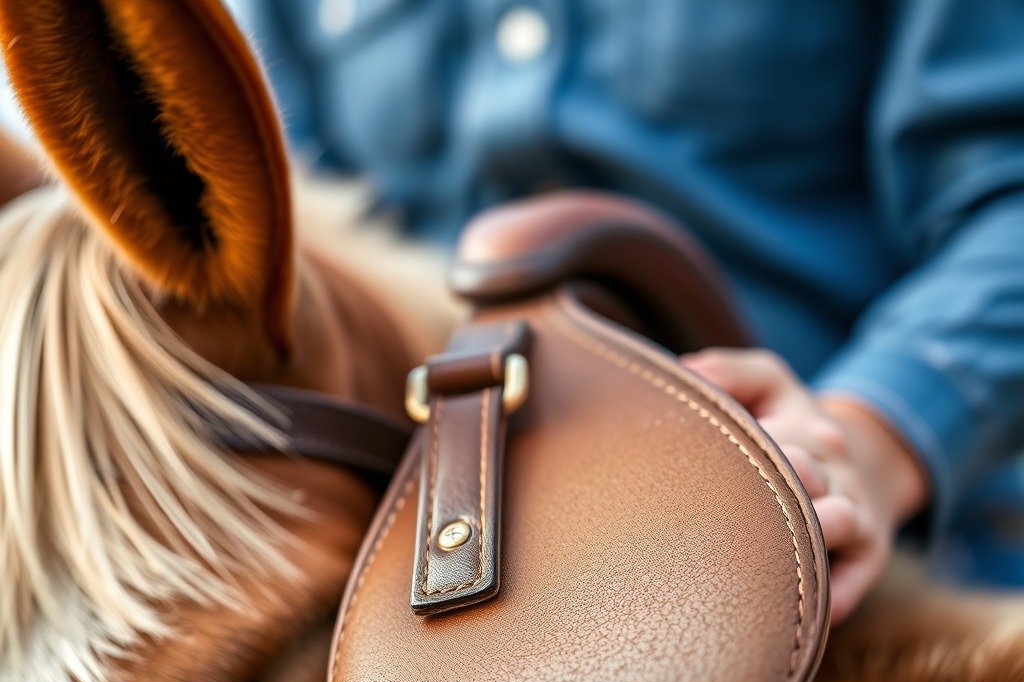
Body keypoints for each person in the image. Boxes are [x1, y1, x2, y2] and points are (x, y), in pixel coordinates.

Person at [232, 0, 1024, 622]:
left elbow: (1006, 200)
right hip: (446, 591)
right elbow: (295, 260)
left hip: (867, 564)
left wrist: (867, 437)